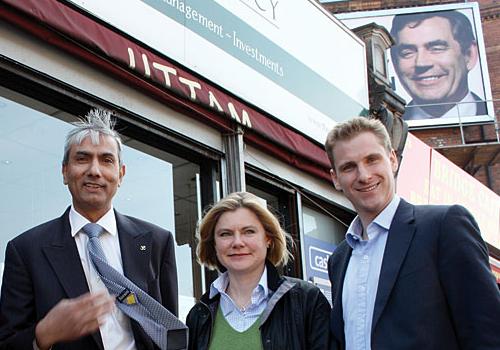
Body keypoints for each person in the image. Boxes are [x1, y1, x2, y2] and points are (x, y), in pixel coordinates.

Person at [0, 109, 181, 349]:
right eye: (82, 158)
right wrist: (43, 334)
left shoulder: (157, 242)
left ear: (121, 174)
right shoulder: (25, 251)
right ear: (65, 172)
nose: (94, 170)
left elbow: (168, 333)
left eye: (106, 160)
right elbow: (8, 342)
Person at [324, 116, 500, 349]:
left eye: (372, 160)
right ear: (335, 178)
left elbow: (488, 332)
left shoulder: (444, 226)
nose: (364, 175)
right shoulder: (339, 259)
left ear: (393, 160)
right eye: (349, 167)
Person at [186, 192, 332, 350]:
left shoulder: (306, 300)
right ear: (214, 244)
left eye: (248, 232)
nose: (237, 242)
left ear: (268, 239)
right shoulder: (198, 316)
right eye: (225, 234)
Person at [390, 11, 487, 120]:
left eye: (437, 48)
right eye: (407, 53)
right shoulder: (384, 129)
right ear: (395, 62)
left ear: (469, 55)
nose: (421, 63)